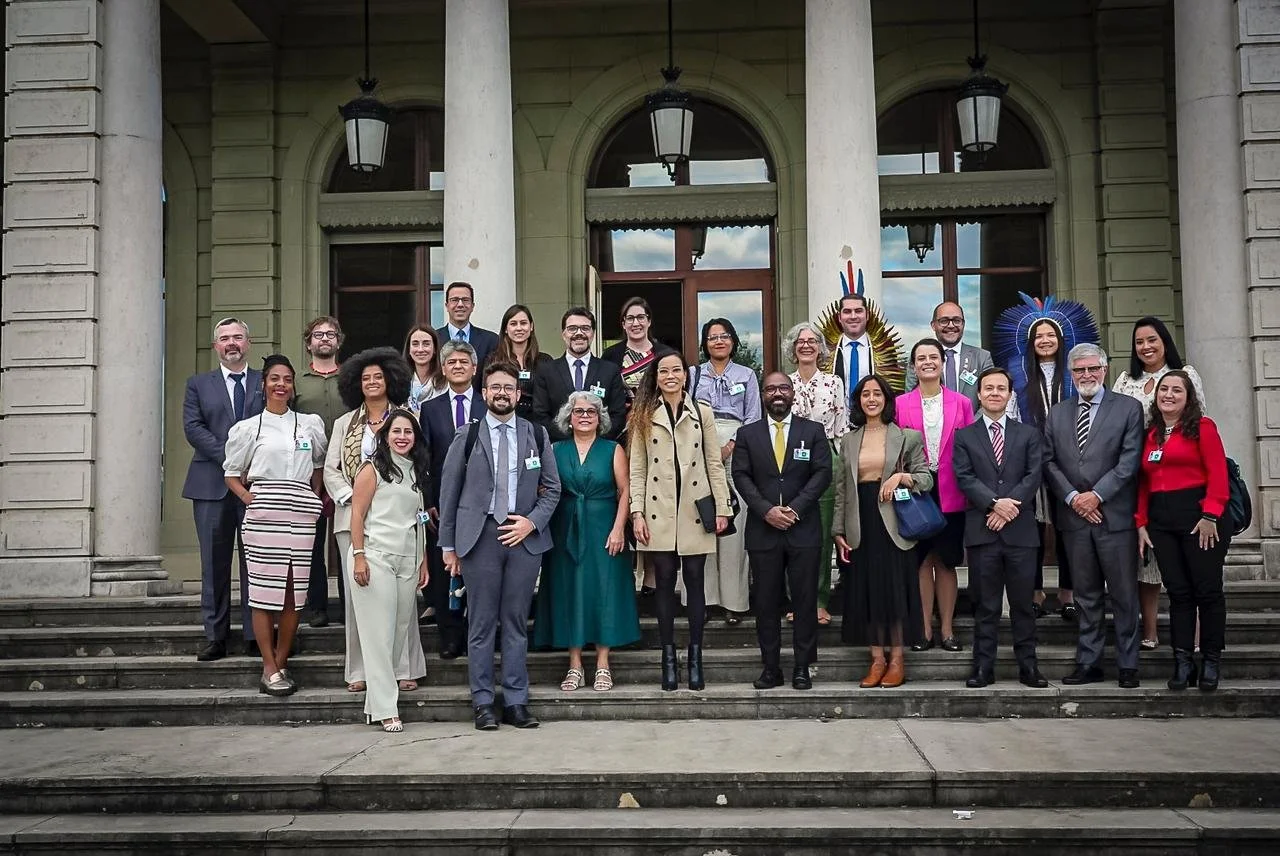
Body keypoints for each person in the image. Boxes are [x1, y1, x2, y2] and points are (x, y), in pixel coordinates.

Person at [438, 361, 562, 731]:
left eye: (509, 387)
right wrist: (448, 546)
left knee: (515, 623)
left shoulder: (535, 434)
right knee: (480, 623)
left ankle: (516, 700)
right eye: (495, 387)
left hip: (522, 538)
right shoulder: (468, 435)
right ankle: (482, 702)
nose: (502, 393)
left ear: (518, 393)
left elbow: (552, 488)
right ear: (484, 393)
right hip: (480, 538)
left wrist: (531, 522)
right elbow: (449, 493)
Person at [222, 355, 327, 696]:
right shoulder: (249, 428)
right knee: (264, 593)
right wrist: (252, 500)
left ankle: (282, 661)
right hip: (265, 513)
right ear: (264, 384)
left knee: (294, 595)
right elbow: (231, 474)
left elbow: (318, 465)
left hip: (299, 513)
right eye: (275, 379)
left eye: (287, 379)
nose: (281, 384)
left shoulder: (309, 424)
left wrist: (312, 496)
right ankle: (268, 666)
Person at [323, 348, 427, 693]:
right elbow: (330, 470)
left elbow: (417, 464)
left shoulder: (406, 419)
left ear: (390, 380)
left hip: (398, 519)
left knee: (402, 599)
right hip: (351, 518)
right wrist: (357, 500)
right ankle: (360, 671)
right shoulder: (344, 423)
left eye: (377, 377)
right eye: (365, 378)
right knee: (359, 598)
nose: (371, 382)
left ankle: (404, 667)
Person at [1043, 343, 1145, 689]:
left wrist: (1097, 496)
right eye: (1079, 370)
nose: (1086, 375)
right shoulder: (1057, 413)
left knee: (1123, 593)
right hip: (1074, 519)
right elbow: (1049, 462)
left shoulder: (1129, 409)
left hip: (1113, 517)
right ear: (1070, 375)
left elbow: (1129, 462)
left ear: (1105, 369)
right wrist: (1074, 498)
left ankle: (1129, 664)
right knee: (1086, 596)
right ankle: (1089, 662)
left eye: (1092, 369)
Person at [629, 351, 732, 691]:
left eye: (676, 370)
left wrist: (722, 508)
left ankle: (696, 657)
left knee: (695, 582)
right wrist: (637, 511)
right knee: (663, 584)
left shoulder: (702, 412)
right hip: (659, 512)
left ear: (686, 376)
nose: (670, 375)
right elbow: (638, 468)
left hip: (693, 508)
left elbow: (714, 463)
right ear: (655, 377)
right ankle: (668, 657)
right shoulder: (644, 413)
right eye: (663, 371)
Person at [533, 392, 640, 692]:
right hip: (565, 530)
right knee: (571, 594)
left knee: (603, 593)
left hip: (604, 529)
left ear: (600, 418)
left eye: (591, 412)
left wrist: (619, 528)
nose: (584, 416)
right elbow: (546, 488)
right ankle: (575, 664)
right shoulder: (555, 450)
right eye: (578, 411)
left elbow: (625, 490)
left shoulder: (612, 449)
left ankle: (603, 664)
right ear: (568, 417)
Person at [1112, 316, 1209, 651]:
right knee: (1146, 562)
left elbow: (1199, 422)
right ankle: (1150, 631)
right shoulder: (1126, 380)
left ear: (1165, 341)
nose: (1146, 347)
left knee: (1188, 566)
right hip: (1137, 478)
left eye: (1152, 339)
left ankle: (1195, 637)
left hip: (1181, 480)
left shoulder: (1186, 375)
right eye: (1139, 342)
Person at [731, 372, 832, 690]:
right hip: (764, 530)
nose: (778, 393)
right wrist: (766, 511)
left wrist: (795, 509)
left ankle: (802, 667)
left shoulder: (813, 431)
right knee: (766, 602)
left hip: (803, 528)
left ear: (793, 394)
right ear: (762, 395)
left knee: (804, 601)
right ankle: (771, 668)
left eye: (783, 388)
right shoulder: (747, 434)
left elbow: (822, 473)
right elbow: (741, 475)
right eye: (771, 388)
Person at [833, 375, 933, 689]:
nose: (872, 399)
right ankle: (876, 660)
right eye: (866, 394)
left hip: (894, 523)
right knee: (868, 593)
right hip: (860, 523)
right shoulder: (849, 440)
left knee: (895, 592)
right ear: (859, 401)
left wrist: (900, 477)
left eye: (878, 394)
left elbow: (926, 478)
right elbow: (841, 490)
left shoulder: (907, 437)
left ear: (887, 400)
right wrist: (838, 531)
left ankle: (897, 661)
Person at [1136, 371, 1230, 692]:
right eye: (1164, 389)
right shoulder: (1151, 435)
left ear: (1188, 397)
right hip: (1162, 523)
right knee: (1178, 593)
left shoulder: (1203, 428)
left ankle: (1212, 661)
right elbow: (1144, 484)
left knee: (1207, 591)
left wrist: (1210, 515)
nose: (1169, 395)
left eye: (1177, 390)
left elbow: (1219, 475)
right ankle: (1183, 662)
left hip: (1201, 519)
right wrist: (1141, 523)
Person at [953, 367, 1047, 689]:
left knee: (1023, 604)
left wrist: (1007, 508)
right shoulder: (965, 436)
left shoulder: (1028, 434)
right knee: (986, 605)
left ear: (1010, 394)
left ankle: (1029, 667)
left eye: (1001, 388)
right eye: (988, 388)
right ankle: (983, 668)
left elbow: (1032, 476)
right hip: (983, 531)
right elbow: (965, 477)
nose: (994, 393)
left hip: (1020, 533)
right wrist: (994, 504)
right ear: (979, 394)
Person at [183, 317, 263, 661]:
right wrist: (232, 460)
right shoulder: (198, 384)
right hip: (211, 484)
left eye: (238, 337)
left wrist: (250, 466)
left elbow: (275, 424)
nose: (232, 343)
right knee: (213, 564)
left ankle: (253, 634)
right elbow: (193, 428)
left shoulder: (265, 381)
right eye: (225, 338)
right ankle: (216, 636)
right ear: (216, 346)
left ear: (249, 342)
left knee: (255, 562)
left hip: (255, 486)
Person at [347, 410, 433, 731]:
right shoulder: (372, 469)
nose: (402, 437)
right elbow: (356, 514)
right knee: (378, 637)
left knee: (397, 633)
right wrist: (358, 556)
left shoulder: (416, 471)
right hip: (374, 557)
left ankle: (376, 703)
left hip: (407, 559)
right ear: (385, 436)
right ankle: (387, 709)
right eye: (396, 431)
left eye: (408, 432)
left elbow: (419, 519)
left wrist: (422, 559)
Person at [896, 338, 974, 653]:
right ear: (913, 366)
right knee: (920, 561)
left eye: (933, 357)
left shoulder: (962, 402)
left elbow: (969, 447)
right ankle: (924, 629)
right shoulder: (901, 404)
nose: (927, 362)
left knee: (946, 561)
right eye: (921, 358)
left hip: (952, 491)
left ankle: (948, 630)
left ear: (942, 363)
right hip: (916, 492)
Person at [690, 318, 760, 626]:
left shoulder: (747, 375)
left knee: (734, 523)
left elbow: (754, 416)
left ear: (733, 341)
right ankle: (702, 599)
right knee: (702, 524)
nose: (719, 341)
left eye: (725, 336)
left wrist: (732, 444)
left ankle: (734, 601)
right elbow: (686, 412)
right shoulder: (693, 375)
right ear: (705, 343)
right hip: (698, 448)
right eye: (712, 337)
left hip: (737, 448)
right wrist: (704, 448)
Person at [1009, 317, 1079, 620]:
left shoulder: (1074, 372)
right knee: (1033, 528)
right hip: (1032, 459)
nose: (1045, 340)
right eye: (1039, 336)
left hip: (1069, 460)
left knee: (1068, 528)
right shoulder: (1019, 372)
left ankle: (1068, 593)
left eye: (1051, 335)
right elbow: (1012, 414)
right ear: (1031, 342)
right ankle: (1035, 591)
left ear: (1060, 340)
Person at [418, 340, 481, 660]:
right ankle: (450, 637)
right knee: (445, 572)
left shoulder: (488, 405)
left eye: (463, 362)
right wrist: (428, 502)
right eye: (451, 362)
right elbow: (424, 459)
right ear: (443, 370)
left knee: (479, 570)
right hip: (442, 504)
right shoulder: (430, 409)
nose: (457, 366)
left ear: (474, 368)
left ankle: (478, 636)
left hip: (484, 505)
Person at [784, 321, 847, 626]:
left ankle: (820, 600)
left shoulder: (834, 383)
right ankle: (797, 600)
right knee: (792, 534)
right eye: (800, 341)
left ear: (821, 348)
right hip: (789, 464)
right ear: (793, 348)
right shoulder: (784, 383)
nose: (806, 345)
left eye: (812, 341)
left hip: (825, 460)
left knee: (822, 535)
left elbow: (841, 428)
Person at [294, 316, 347, 630]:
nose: (324, 339)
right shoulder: (297, 381)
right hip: (307, 473)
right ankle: (316, 607)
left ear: (338, 341)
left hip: (347, 471)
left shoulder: (351, 378)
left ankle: (348, 602)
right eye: (318, 335)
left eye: (330, 334)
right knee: (310, 544)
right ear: (308, 343)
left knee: (346, 539)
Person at [530, 306, 627, 442]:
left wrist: (593, 441)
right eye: (572, 328)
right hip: (559, 449)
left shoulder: (610, 371)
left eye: (585, 328)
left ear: (593, 333)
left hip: (600, 449)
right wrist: (572, 441)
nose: (579, 333)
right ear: (563, 334)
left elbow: (618, 415)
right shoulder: (546, 371)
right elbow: (540, 415)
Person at [905, 302, 995, 412]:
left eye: (957, 320)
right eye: (944, 321)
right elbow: (911, 397)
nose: (951, 325)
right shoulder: (921, 359)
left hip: (973, 426)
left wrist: (971, 427)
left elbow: (990, 399)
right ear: (933, 325)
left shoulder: (982, 357)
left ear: (963, 324)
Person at [490, 303, 553, 421]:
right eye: (513, 324)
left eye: (523, 323)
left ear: (531, 326)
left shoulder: (545, 361)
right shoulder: (494, 360)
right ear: (506, 329)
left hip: (538, 424)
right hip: (504, 420)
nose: (519, 328)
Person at [601, 296, 663, 412]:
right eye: (630, 318)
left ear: (648, 321)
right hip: (622, 423)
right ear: (623, 324)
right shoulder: (610, 355)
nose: (635, 323)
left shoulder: (665, 354)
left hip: (659, 421)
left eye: (640, 317)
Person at [832, 294, 877, 426]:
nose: (853, 316)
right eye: (847, 312)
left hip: (872, 423)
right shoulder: (827, 352)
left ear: (867, 315)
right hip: (837, 425)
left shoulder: (880, 350)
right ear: (839, 317)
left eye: (858, 311)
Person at [437, 281, 500, 376]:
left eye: (465, 300)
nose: (460, 304)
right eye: (454, 300)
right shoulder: (433, 339)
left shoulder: (491, 340)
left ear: (472, 306)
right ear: (447, 306)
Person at [403, 324, 449, 416]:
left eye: (426, 344)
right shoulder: (399, 382)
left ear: (435, 349)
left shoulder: (446, 383)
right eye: (415, 344)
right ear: (409, 349)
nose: (420, 349)